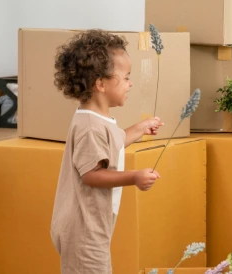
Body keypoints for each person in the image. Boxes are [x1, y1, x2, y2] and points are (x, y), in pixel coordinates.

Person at [50, 29, 165, 273]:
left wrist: (141, 128)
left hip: (94, 224)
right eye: (125, 78)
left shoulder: (98, 119)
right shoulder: (90, 127)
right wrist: (134, 177)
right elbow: (92, 175)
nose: (130, 83)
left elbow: (116, 141)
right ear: (100, 83)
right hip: (83, 230)